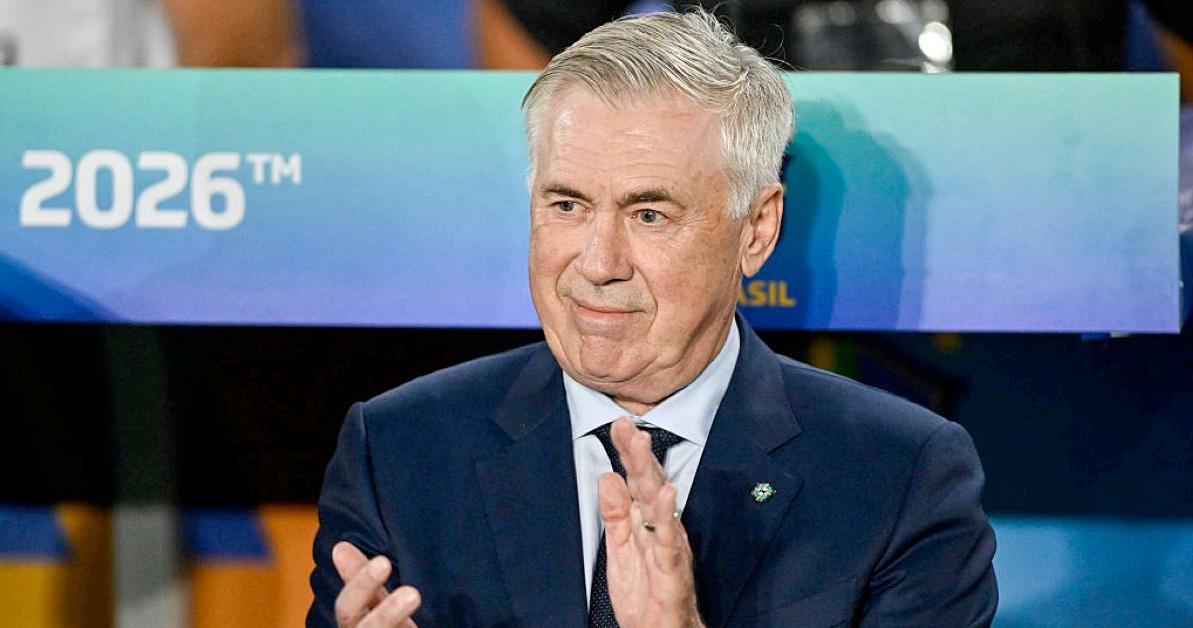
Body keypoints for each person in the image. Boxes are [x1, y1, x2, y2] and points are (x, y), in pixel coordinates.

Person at [308, 8, 997, 627]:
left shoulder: (898, 476)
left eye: (648, 214)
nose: (597, 263)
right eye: (567, 205)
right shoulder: (397, 452)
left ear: (756, 229)